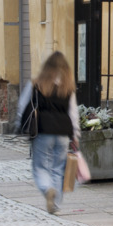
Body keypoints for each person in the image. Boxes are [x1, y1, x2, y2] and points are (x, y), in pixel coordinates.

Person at [23, 52, 80, 214]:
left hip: (43, 130)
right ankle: (56, 204)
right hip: (63, 132)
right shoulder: (68, 86)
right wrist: (75, 135)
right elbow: (73, 113)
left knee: (40, 167)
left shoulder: (37, 84)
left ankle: (47, 189)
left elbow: (24, 107)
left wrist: (21, 125)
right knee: (58, 168)